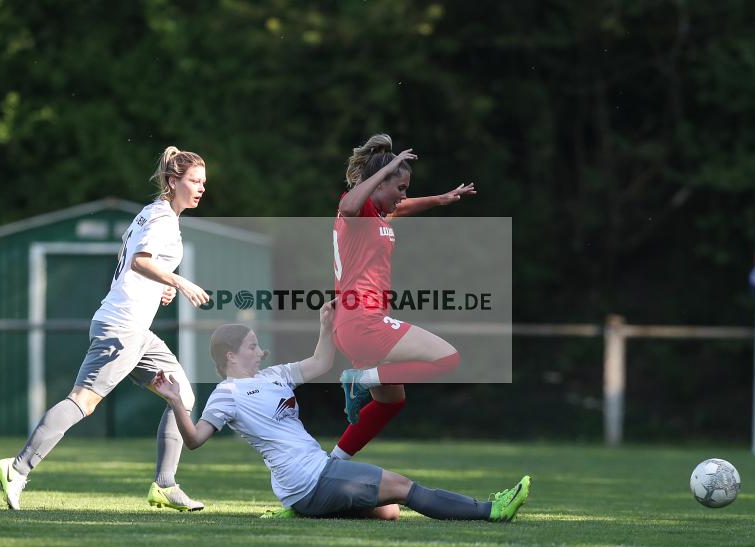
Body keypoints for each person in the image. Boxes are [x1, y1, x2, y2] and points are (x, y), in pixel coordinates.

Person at [152, 302, 531, 522]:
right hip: (311, 479)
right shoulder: (227, 394)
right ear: (230, 356)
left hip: (310, 480)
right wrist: (174, 400)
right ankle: (490, 510)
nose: (261, 350)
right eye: (253, 346)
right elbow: (196, 440)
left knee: (390, 512)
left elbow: (319, 363)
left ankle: (301, 512)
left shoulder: (274, 375)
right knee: (401, 487)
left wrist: (326, 326)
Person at [0, 146, 211, 511]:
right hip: (121, 327)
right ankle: (18, 467)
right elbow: (140, 262)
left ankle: (164, 485)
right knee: (83, 401)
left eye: (204, 182)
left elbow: (125, 259)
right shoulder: (159, 219)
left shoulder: (153, 216)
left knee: (183, 397)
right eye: (195, 181)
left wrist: (159, 288)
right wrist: (177, 282)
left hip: (137, 331)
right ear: (173, 182)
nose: (202, 187)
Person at [330, 133, 476, 461]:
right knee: (448, 358)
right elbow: (349, 205)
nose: (403, 196)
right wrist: (388, 168)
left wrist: (441, 199)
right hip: (363, 320)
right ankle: (361, 379)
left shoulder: (376, 215)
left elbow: (399, 207)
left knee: (391, 402)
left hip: (354, 324)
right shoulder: (356, 208)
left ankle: (331, 465)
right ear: (379, 183)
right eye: (400, 187)